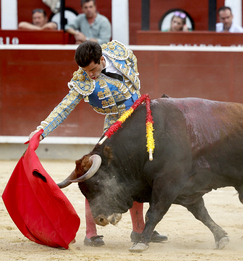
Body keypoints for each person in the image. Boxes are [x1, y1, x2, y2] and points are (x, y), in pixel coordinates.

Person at [28, 40, 167, 247]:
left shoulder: (119, 52)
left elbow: (133, 76)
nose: (90, 75)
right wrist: (42, 130)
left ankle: (140, 230)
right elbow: (64, 107)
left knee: (140, 174)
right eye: (85, 71)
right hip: (115, 127)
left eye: (93, 69)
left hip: (138, 119)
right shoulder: (83, 81)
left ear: (102, 59)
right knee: (95, 175)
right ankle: (91, 233)